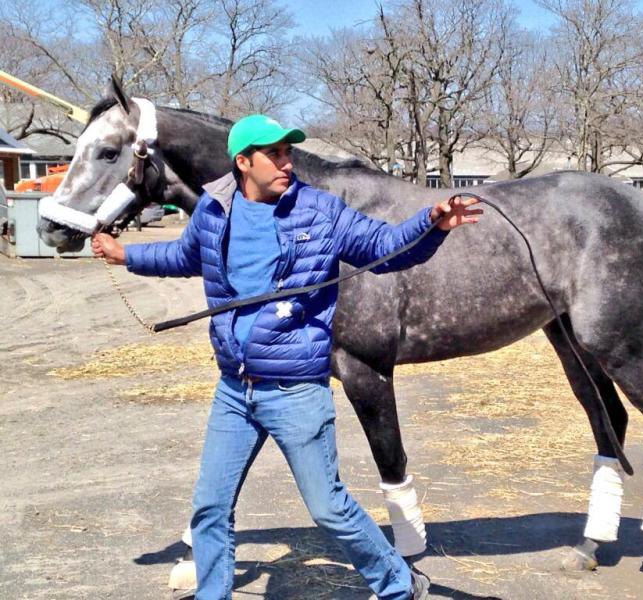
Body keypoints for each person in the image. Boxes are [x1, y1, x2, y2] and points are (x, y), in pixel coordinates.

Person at [92, 114, 482, 600]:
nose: (285, 162)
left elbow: (383, 247)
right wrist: (125, 256)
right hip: (235, 390)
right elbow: (184, 258)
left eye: (287, 151)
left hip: (294, 390)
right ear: (242, 162)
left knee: (328, 508)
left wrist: (430, 224)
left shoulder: (321, 211)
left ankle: (400, 584)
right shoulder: (215, 211)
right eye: (273, 154)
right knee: (210, 507)